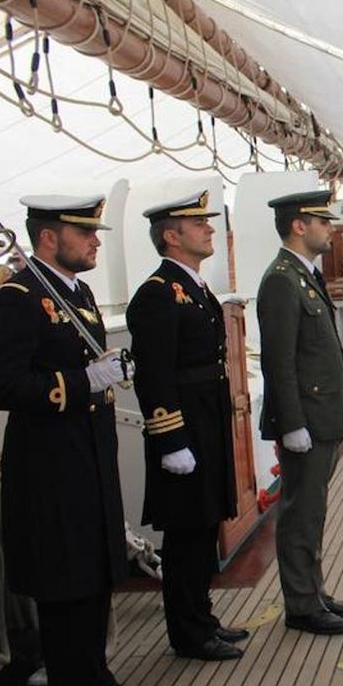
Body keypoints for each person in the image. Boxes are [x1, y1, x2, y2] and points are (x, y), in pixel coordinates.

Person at [0, 195, 152, 686]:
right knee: (66, 582)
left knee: (94, 572)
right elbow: (6, 384)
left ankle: (96, 677)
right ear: (48, 238)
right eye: (84, 233)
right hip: (50, 466)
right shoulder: (19, 298)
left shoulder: (76, 293)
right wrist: (81, 382)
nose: (94, 241)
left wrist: (106, 370)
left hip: (90, 456)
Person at [126, 190, 245, 662]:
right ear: (171, 237)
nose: (209, 229)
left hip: (206, 423)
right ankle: (188, 633)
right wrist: (171, 438)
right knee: (185, 535)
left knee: (204, 528)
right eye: (198, 224)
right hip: (183, 430)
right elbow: (154, 375)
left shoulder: (194, 288)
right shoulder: (157, 294)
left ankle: (203, 617)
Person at [257, 190, 343, 635]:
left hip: (322, 416)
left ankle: (314, 591)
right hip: (307, 421)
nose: (330, 229)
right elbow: (278, 361)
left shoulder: (303, 275)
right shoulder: (282, 279)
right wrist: (292, 424)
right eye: (323, 221)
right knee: (300, 512)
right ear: (299, 226)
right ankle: (302, 604)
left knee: (313, 510)